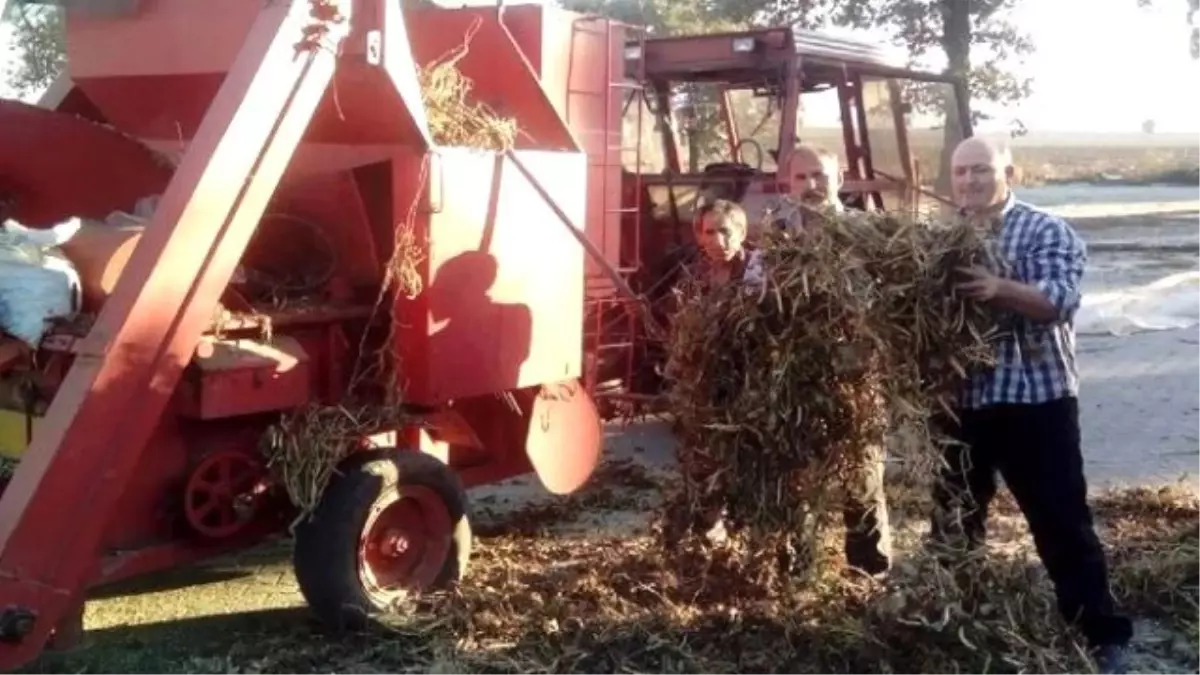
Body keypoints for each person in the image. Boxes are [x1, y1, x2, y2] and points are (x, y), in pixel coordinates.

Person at [930, 136, 1133, 674]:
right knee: (953, 521)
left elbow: (1058, 302)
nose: (970, 181)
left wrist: (997, 287)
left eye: (981, 170)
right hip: (961, 404)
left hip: (1034, 401)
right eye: (960, 172)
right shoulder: (940, 236)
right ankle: (955, 621)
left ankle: (1101, 633)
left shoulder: (1046, 229)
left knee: (1061, 522)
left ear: (1009, 173)